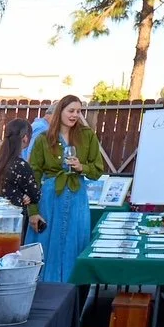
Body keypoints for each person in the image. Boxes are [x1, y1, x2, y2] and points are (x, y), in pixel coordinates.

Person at [26, 95, 103, 283]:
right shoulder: (44, 139)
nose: (75, 115)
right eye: (71, 111)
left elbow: (97, 170)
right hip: (51, 198)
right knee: (47, 245)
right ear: (60, 111)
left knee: (73, 245)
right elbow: (33, 175)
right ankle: (43, 293)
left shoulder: (87, 136)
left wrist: (81, 167)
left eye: (78, 111)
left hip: (77, 197)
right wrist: (33, 212)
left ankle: (71, 295)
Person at [0, 118, 43, 233]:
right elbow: (35, 195)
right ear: (25, 138)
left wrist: (21, 194)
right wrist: (24, 196)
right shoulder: (21, 166)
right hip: (13, 220)